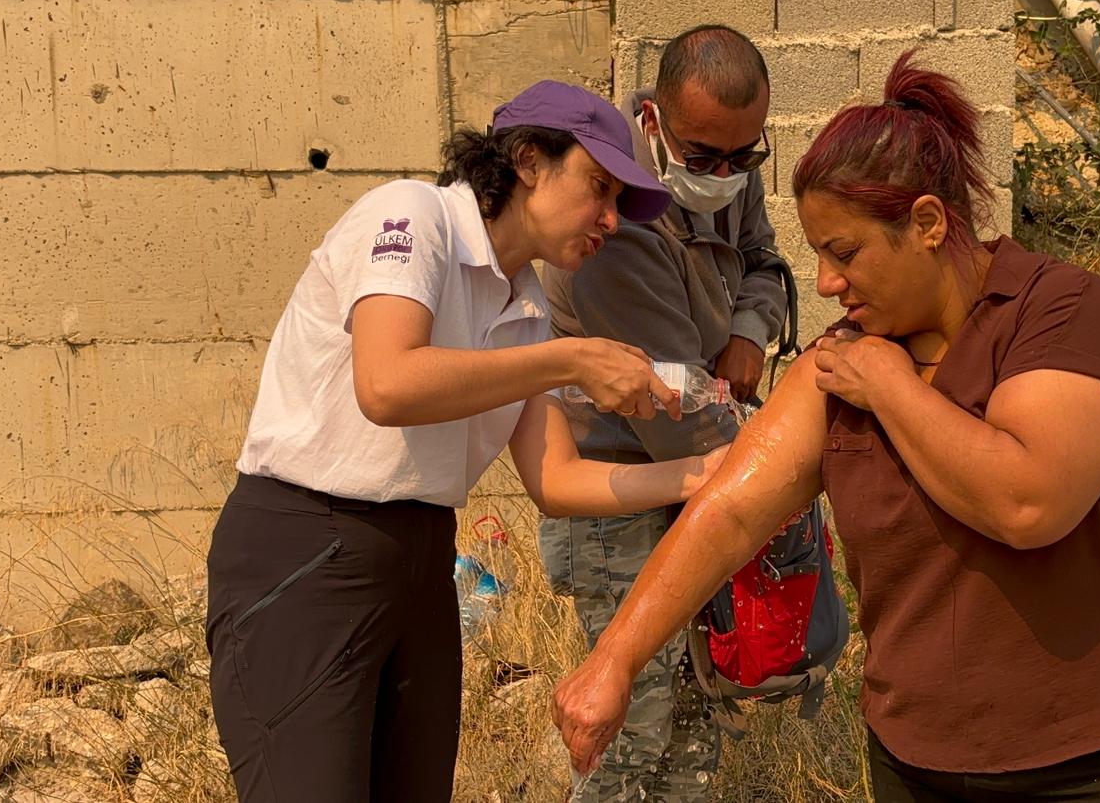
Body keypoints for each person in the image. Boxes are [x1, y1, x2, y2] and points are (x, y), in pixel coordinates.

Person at [551, 53, 1100, 802]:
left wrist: (894, 389)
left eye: (845, 252)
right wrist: (614, 658)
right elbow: (732, 511)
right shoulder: (844, 363)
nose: (828, 283)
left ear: (928, 224)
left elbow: (1027, 504)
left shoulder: (1058, 314)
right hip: (919, 764)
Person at [205, 80, 730, 803]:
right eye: (599, 188)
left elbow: (554, 480)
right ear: (528, 161)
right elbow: (387, 385)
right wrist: (573, 359)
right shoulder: (414, 218)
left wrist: (699, 476)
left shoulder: (526, 305)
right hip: (308, 553)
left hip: (420, 562)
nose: (609, 220)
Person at [536, 24, 787, 800]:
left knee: (692, 732)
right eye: (705, 157)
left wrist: (748, 333)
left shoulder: (728, 167)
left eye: (743, 159)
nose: (725, 176)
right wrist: (771, 475)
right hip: (624, 499)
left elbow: (768, 265)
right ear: (654, 122)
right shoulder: (616, 225)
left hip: (695, 481)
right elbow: (672, 404)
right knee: (631, 738)